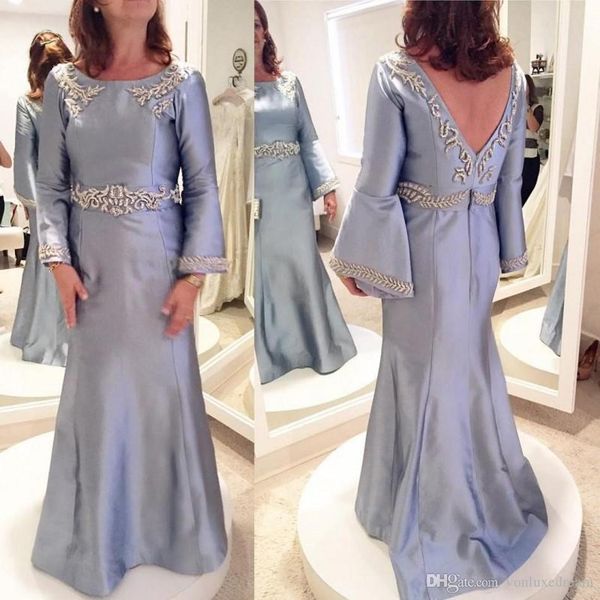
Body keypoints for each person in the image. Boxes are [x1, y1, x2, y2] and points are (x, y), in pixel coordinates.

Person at [330, 1, 548, 597]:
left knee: (419, 373)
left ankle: (433, 515)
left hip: (421, 255)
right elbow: (510, 182)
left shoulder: (395, 73)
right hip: (479, 248)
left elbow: (377, 182)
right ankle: (480, 487)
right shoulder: (512, 77)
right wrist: (509, 256)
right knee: (466, 368)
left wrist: (358, 260)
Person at [31, 0, 228, 595]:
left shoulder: (183, 82)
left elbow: (203, 185)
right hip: (91, 272)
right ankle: (100, 536)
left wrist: (193, 277)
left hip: (158, 271)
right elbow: (49, 185)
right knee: (99, 397)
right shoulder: (63, 84)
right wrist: (58, 261)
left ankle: (172, 533)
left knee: (161, 396)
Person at [253, 0, 356, 384]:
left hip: (293, 190)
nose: (252, 32)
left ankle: (317, 344)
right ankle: (277, 351)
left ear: (265, 30)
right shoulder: (232, 86)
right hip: (257, 191)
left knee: (300, 260)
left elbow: (308, 137)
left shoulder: (289, 82)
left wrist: (326, 187)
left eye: (256, 24)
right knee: (267, 267)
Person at [11, 30, 73, 366]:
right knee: (50, 260)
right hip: (47, 197)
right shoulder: (29, 104)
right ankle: (48, 336)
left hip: (77, 195)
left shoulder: (78, 100)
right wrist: (39, 208)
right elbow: (24, 160)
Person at [522, 73, 544, 205]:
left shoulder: (537, 108)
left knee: (526, 194)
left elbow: (534, 127)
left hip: (530, 159)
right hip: (513, 157)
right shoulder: (512, 108)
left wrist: (526, 107)